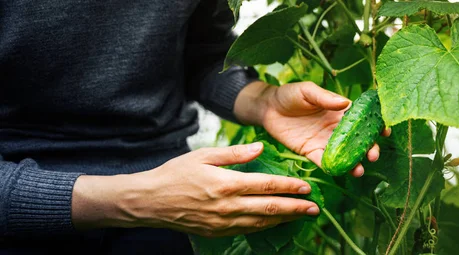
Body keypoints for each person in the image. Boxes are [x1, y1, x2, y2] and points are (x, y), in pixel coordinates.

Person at [0, 0, 387, 254]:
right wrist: (138, 199)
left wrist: (264, 102)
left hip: (170, 195)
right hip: (20, 208)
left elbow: (204, 53)